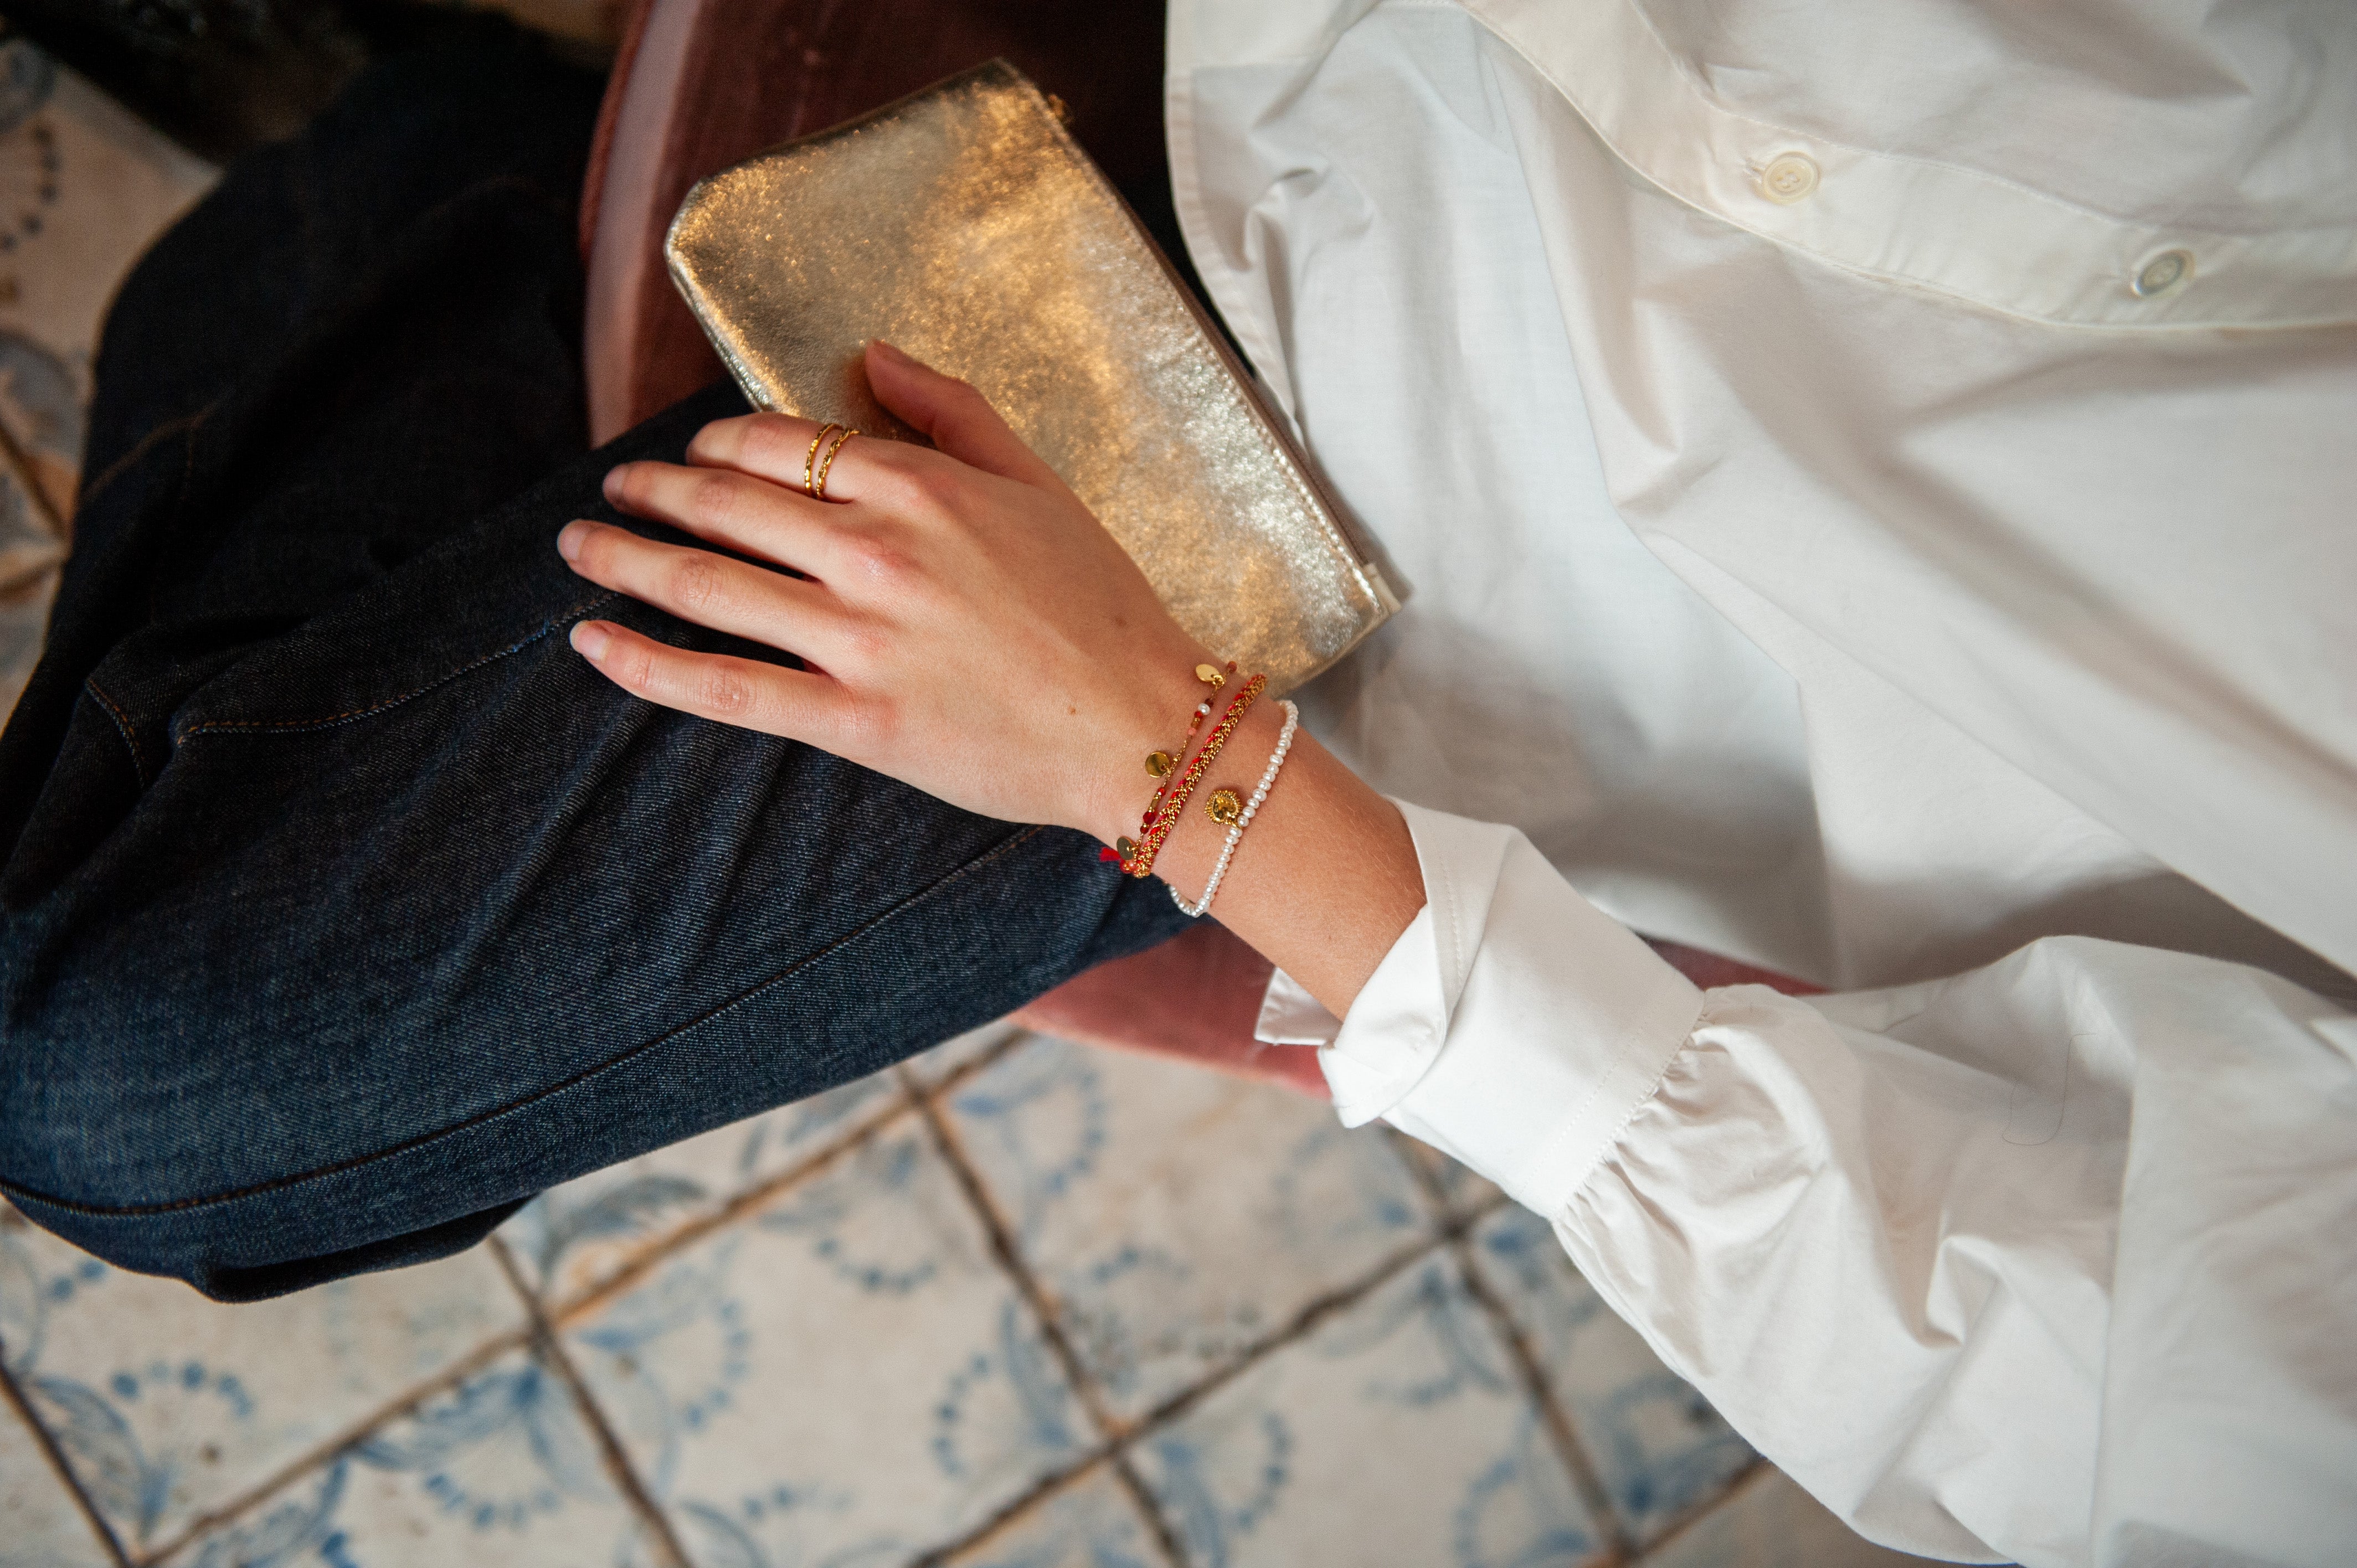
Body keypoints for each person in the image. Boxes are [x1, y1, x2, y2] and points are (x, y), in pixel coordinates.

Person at [1, 3, 2350, 1566]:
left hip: (1350, 575)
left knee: (134, 1083)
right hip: (1444, 76)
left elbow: (2020, 1345)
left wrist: (1187, 770)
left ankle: (431, 160)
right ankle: (415, 180)